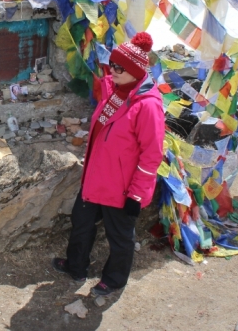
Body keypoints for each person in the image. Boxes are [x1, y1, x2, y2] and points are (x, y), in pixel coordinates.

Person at [52, 32, 165, 297]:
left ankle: (114, 280)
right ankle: (76, 266)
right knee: (81, 223)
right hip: (95, 177)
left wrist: (137, 194)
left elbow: (152, 154)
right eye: (112, 65)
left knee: (120, 236)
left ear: (136, 71)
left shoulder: (147, 106)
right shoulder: (115, 92)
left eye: (118, 67)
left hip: (121, 186)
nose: (111, 70)